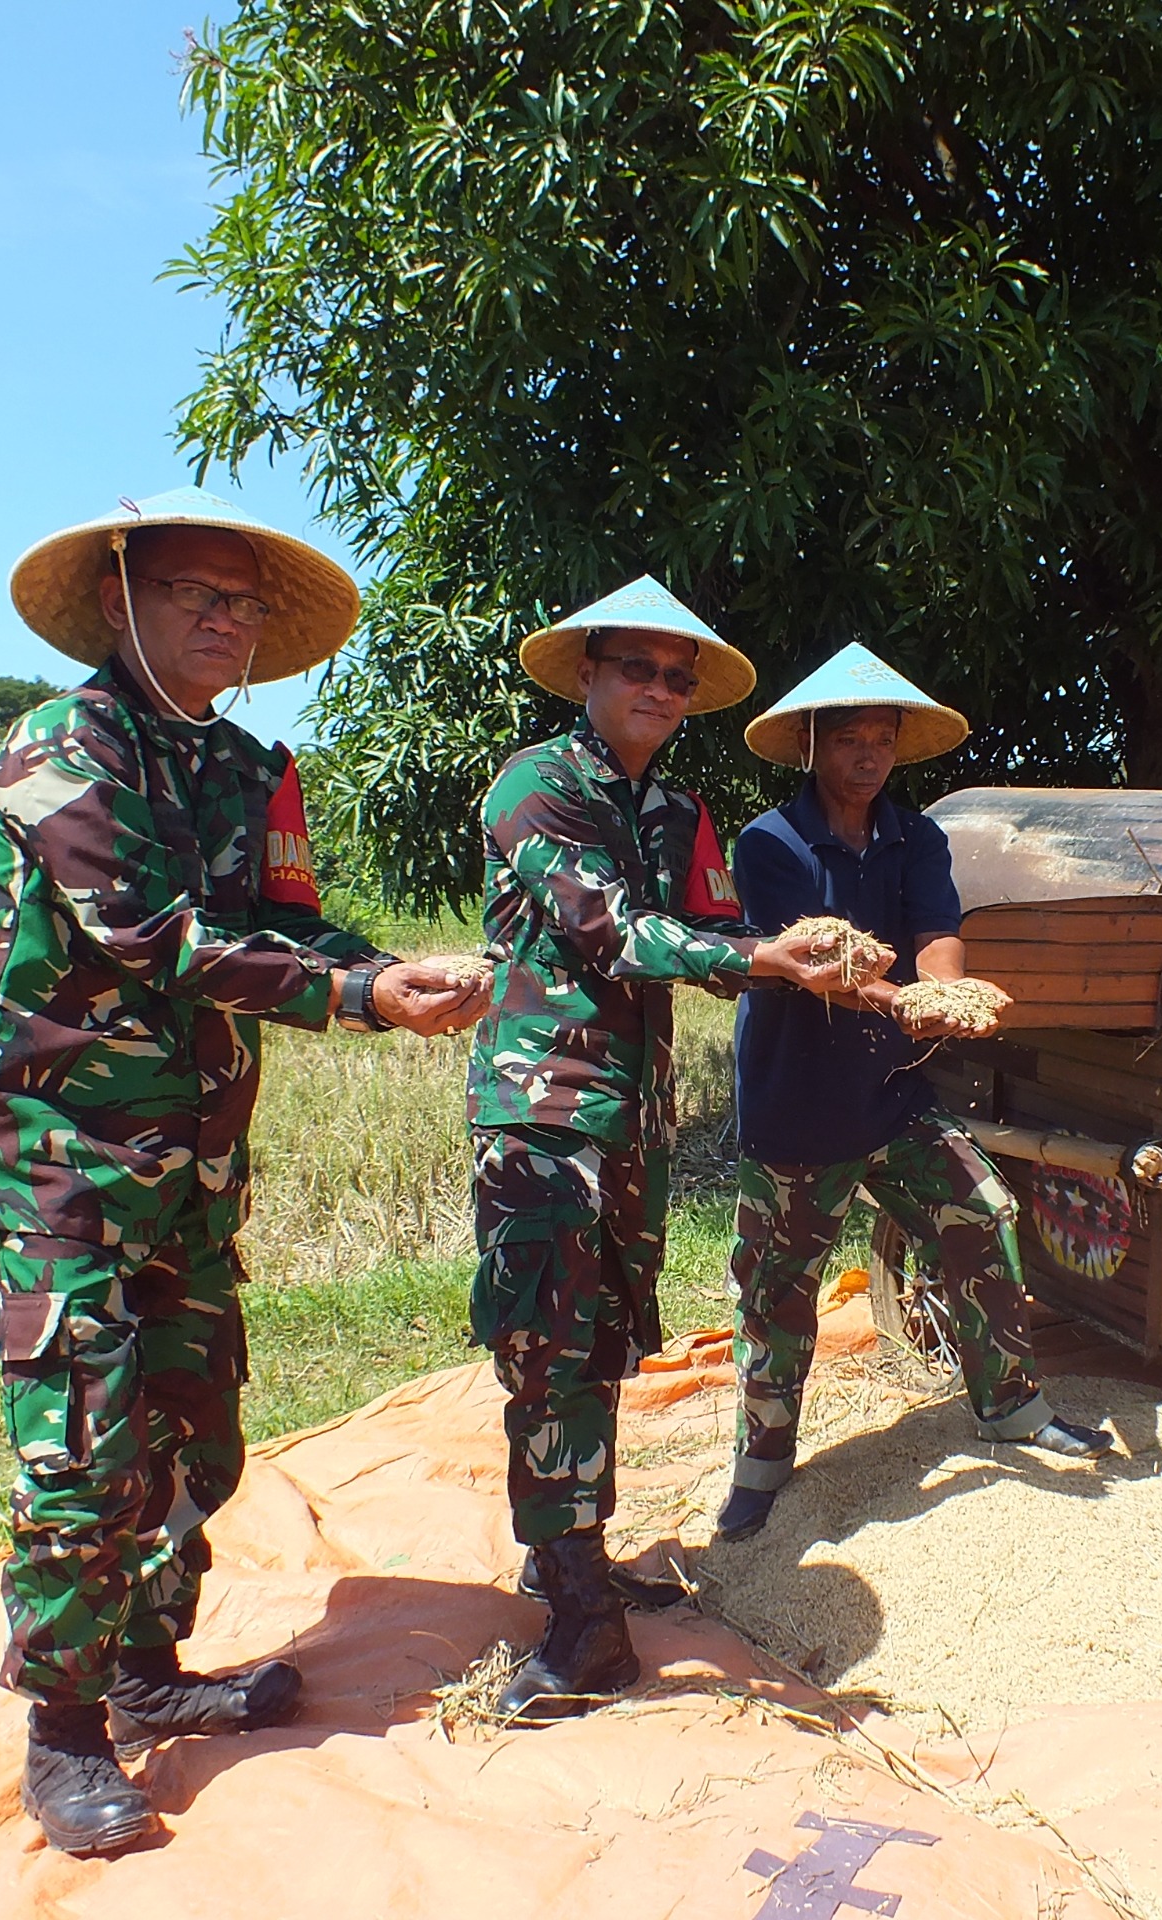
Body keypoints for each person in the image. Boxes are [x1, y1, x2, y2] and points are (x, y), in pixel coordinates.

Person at [0, 488, 489, 1856]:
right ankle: (65, 1736)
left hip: (192, 1168)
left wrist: (389, 964)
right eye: (196, 592)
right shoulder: (59, 746)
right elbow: (156, 937)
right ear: (122, 596)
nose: (224, 619)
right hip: (53, 1164)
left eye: (243, 603)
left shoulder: (249, 771)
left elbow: (287, 924)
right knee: (86, 1451)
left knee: (198, 1433)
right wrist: (361, 999)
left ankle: (143, 1670)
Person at [468, 575, 859, 1723]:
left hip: (630, 1112)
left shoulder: (675, 810)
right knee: (545, 1349)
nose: (658, 688)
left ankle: (571, 1560)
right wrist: (763, 960)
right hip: (544, 1113)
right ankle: (586, 1630)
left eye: (676, 677)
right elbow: (614, 929)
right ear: (587, 672)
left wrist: (818, 950)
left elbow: (714, 922)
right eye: (636, 668)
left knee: (597, 1347)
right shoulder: (536, 784)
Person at [714, 645, 1115, 1543]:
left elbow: (938, 932)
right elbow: (818, 961)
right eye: (850, 737)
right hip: (795, 1105)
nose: (868, 755)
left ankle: (1008, 1405)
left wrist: (951, 991)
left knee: (982, 1209)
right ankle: (763, 1463)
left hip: (891, 1094)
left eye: (882, 739)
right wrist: (910, 1002)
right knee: (779, 1288)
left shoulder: (916, 837)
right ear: (813, 743)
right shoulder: (769, 843)